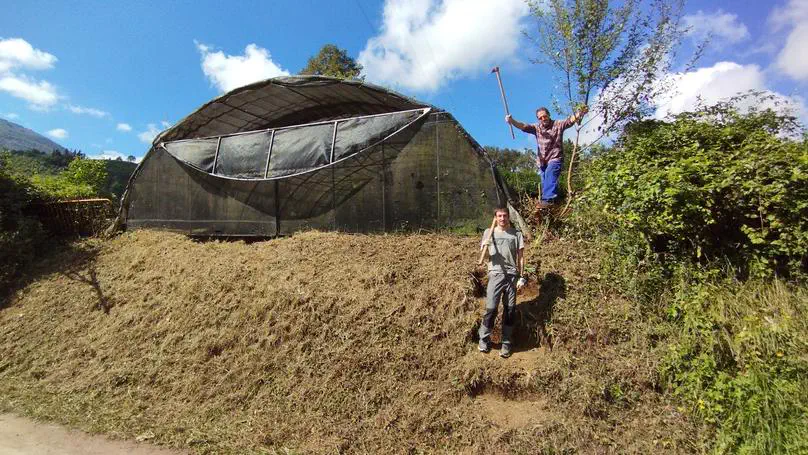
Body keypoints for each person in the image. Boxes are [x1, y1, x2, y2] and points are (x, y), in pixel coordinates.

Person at [506, 105, 588, 207]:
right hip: (542, 161)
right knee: (546, 182)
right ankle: (551, 204)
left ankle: (547, 201)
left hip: (555, 158)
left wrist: (580, 113)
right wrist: (512, 121)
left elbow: (570, 121)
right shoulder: (536, 128)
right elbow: (523, 126)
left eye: (544, 116)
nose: (543, 119)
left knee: (551, 174)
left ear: (549, 115)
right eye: (540, 118)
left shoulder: (557, 124)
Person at [478, 207, 526, 358]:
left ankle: (506, 343)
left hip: (511, 276)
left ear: (508, 218)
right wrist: (485, 245)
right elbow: (484, 258)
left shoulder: (516, 234)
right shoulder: (488, 232)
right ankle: (484, 340)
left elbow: (521, 257)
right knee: (491, 309)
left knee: (510, 311)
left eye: (505, 216)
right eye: (499, 216)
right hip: (495, 274)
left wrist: (522, 276)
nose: (502, 219)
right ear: (495, 218)